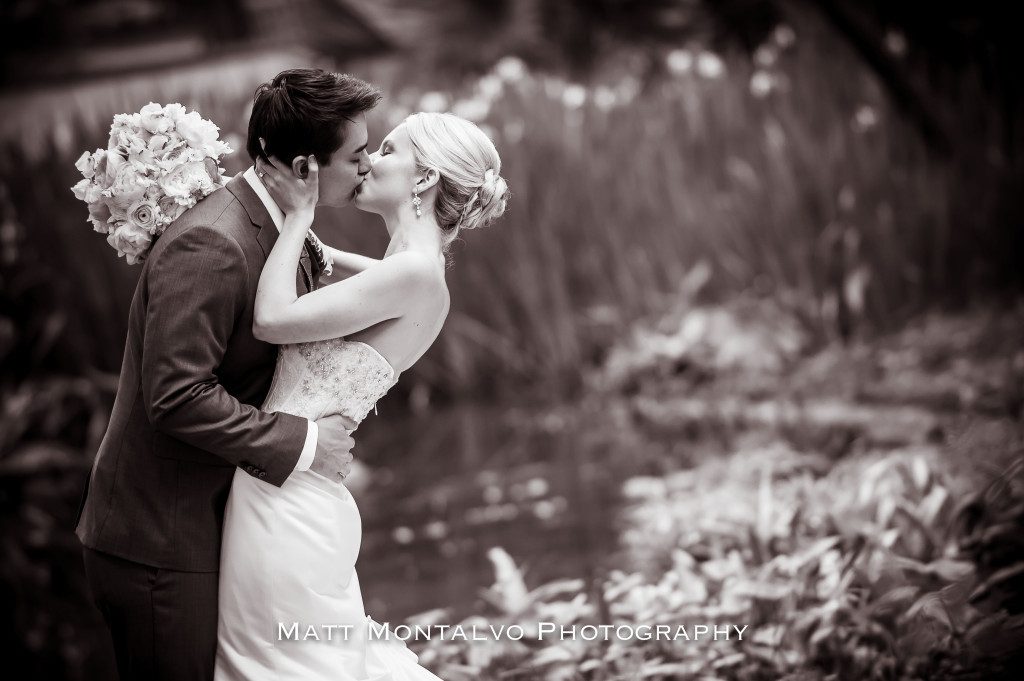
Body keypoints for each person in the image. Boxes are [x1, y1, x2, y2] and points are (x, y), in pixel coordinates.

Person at [75, 69, 381, 681]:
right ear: (303, 168)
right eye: (359, 154)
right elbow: (177, 396)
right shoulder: (214, 243)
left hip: (212, 522)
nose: (369, 165)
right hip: (158, 540)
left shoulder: (271, 223)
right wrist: (304, 444)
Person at [214, 109, 509, 680]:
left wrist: (299, 214)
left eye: (391, 149)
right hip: (293, 494)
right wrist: (308, 241)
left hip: (285, 503)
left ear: (424, 179)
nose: (370, 160)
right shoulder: (412, 271)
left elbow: (272, 320)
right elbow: (364, 271)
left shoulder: (416, 276)